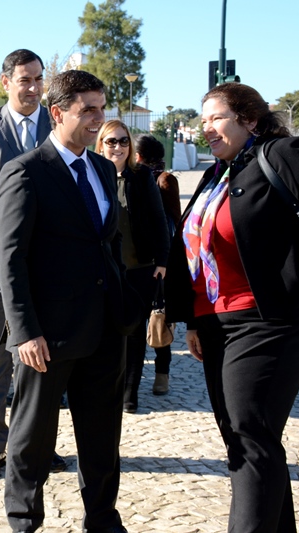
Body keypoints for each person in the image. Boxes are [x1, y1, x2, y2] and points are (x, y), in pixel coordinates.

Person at [166, 83, 299, 532]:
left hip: (276, 322)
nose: (207, 128)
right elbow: (198, 252)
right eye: (203, 120)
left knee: (249, 438)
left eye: (217, 117)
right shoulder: (219, 172)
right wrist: (195, 321)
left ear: (250, 119)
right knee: (250, 442)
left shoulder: (285, 153)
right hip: (220, 325)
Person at [0, 69, 137, 533]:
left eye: (102, 108)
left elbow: (108, 243)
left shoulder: (101, 168)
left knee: (101, 435)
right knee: (32, 436)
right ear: (58, 113)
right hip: (48, 334)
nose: (99, 119)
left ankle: (102, 518)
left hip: (103, 328)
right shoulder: (25, 172)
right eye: (88, 110)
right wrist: (24, 331)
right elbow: (11, 259)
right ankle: (23, 520)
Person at [0, 48, 67, 480]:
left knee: (42, 356)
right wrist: (8, 226)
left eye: (39, 79)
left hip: (47, 262)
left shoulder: (55, 124)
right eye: (25, 79)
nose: (34, 87)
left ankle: (37, 442)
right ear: (5, 82)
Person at [95, 121, 170, 414]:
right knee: (105, 329)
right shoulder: (89, 175)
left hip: (140, 266)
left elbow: (158, 218)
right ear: (100, 144)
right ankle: (105, 386)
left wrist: (163, 260)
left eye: (123, 141)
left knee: (136, 331)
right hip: (102, 268)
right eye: (111, 141)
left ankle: (130, 392)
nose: (118, 147)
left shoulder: (141, 178)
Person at [135, 134, 181, 395]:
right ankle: (154, 376)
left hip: (161, 261)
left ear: (138, 156)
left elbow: (176, 218)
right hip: (150, 260)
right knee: (153, 318)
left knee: (159, 318)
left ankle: (161, 375)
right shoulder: (137, 177)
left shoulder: (165, 181)